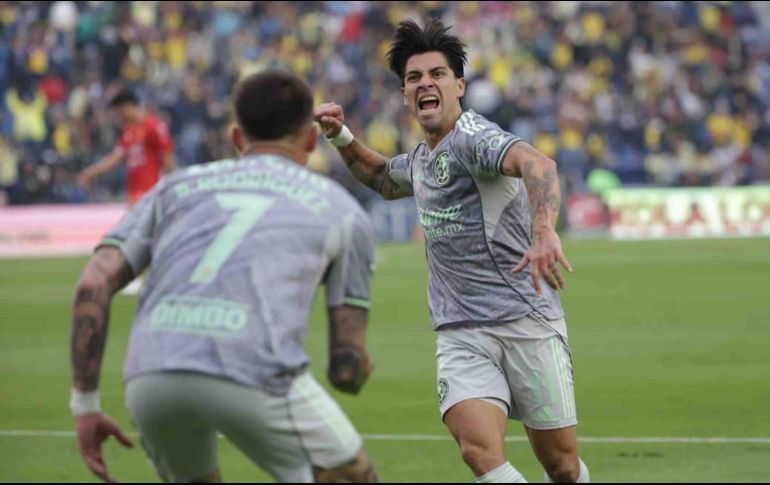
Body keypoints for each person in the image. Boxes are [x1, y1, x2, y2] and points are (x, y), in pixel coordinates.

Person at [69, 70, 379, 484]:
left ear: (236, 139)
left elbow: (93, 284)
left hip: (152, 373)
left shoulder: (175, 187)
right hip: (253, 366)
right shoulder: (342, 209)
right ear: (309, 140)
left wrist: (85, 404)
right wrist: (356, 366)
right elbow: (347, 372)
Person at [315, 19, 589, 484]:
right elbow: (383, 177)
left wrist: (544, 230)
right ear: (405, 94)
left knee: (561, 466)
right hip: (461, 332)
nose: (426, 83)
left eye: (437, 74)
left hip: (525, 320)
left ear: (459, 85)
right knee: (479, 451)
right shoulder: (424, 158)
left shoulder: (472, 138)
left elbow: (537, 163)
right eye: (415, 78)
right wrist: (341, 136)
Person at [77, 88, 177, 295]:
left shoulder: (154, 126)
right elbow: (116, 158)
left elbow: (168, 159)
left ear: (129, 106)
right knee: (149, 236)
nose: (118, 117)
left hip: (151, 191)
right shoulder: (129, 131)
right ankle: (152, 278)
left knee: (138, 235)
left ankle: (140, 278)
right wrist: (91, 173)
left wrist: (174, 186)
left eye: (119, 112)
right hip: (135, 192)